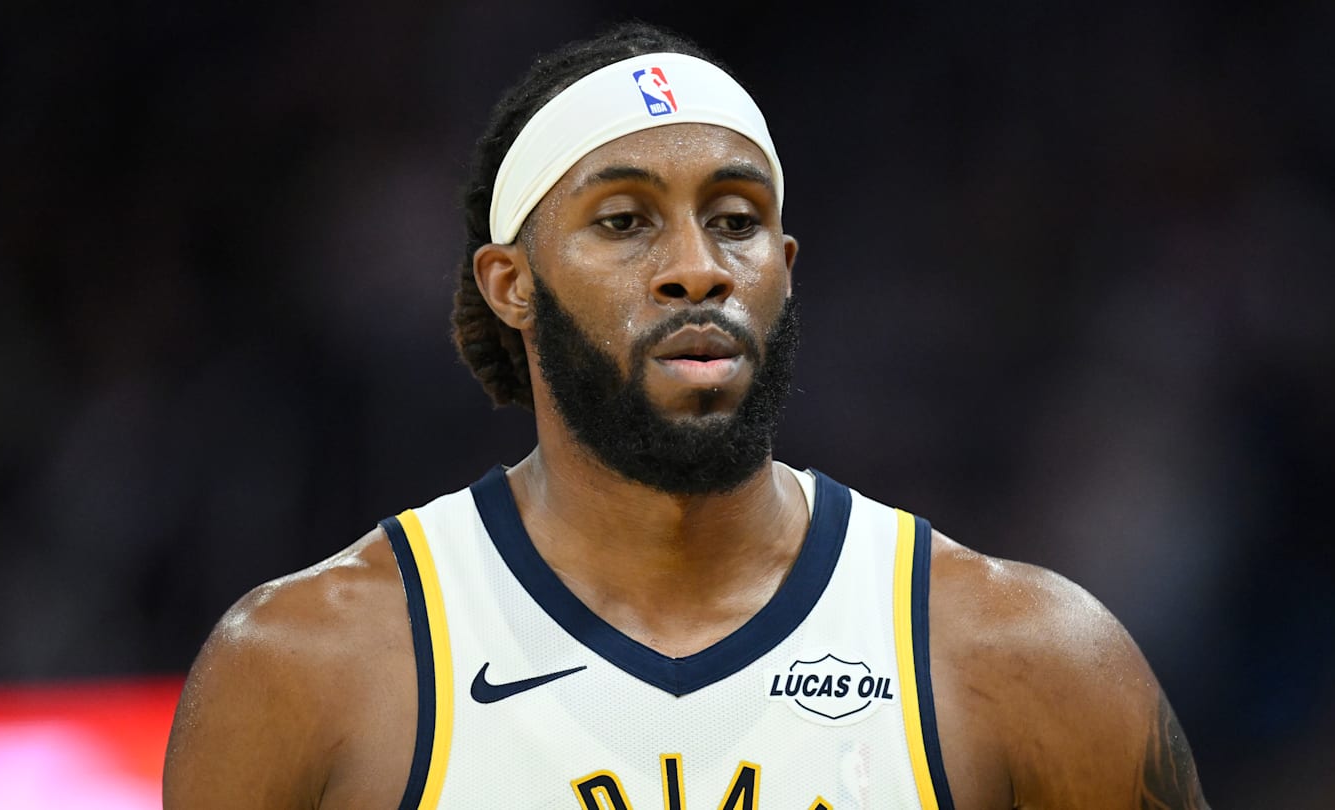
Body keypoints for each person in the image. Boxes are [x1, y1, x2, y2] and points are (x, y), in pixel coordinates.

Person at [163, 20, 1210, 809]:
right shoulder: (301, 669)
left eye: (737, 220)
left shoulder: (1030, 661)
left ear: (785, 272)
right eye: (624, 222)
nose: (697, 268)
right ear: (509, 284)